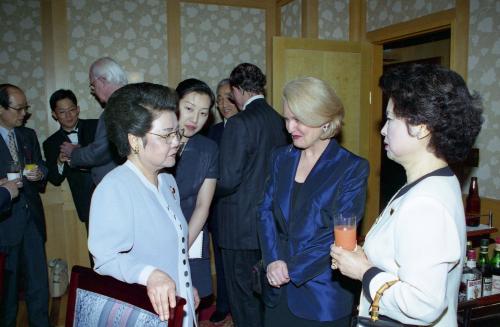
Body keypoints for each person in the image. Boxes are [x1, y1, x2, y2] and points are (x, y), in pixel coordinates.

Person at [331, 64, 483, 326]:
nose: (382, 130)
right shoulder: (430, 182)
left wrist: (363, 271)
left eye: (390, 119)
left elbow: (422, 304)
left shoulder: (426, 202)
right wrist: (364, 257)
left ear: (422, 127)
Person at [258, 77, 369, 327]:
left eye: (299, 120)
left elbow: (340, 234)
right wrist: (273, 261)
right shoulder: (280, 157)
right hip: (276, 287)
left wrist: (291, 269)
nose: (290, 127)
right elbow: (264, 211)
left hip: (322, 296)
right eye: (287, 119)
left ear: (325, 121)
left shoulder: (351, 168)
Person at [88, 82, 199, 326]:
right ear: (135, 140)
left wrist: (184, 284)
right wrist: (150, 275)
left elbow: (173, 249)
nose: (176, 141)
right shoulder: (115, 188)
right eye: (166, 134)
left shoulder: (168, 181)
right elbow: (105, 259)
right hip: (144, 311)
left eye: (176, 133)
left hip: (173, 304)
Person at [217, 63, 288, 327]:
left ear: (236, 90)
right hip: (270, 224)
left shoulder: (238, 123)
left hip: (238, 225)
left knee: (242, 296)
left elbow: (228, 179)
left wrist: (208, 185)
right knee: (264, 293)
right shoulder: (280, 121)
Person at [0, 83, 50, 326]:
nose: (23, 114)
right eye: (18, 109)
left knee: (38, 283)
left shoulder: (27, 135)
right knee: (6, 292)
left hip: (32, 220)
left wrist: (40, 173)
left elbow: (41, 164)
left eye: (25, 109)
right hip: (5, 224)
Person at [172, 78, 218, 303]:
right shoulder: (154, 140)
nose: (195, 119)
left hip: (192, 231)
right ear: (175, 104)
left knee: (190, 304)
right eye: (189, 109)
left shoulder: (208, 149)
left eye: (203, 113)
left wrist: (181, 247)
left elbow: (203, 205)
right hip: (155, 230)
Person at [60, 57, 127, 185]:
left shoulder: (114, 109)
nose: (94, 91)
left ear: (102, 80)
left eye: (93, 85)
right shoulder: (129, 101)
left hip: (116, 184)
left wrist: (73, 152)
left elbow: (100, 153)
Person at [206, 78, 239, 323]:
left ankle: (242, 307)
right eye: (218, 98)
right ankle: (224, 303)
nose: (222, 103)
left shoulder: (248, 128)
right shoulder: (213, 133)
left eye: (227, 97)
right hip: (216, 207)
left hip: (243, 209)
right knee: (221, 258)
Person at [43, 89, 98, 228]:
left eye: (71, 110)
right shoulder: (51, 143)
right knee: (95, 247)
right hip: (86, 202)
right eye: (62, 112)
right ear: (54, 115)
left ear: (78, 109)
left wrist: (82, 152)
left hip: (111, 193)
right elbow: (55, 179)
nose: (68, 116)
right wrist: (60, 162)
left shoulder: (96, 126)